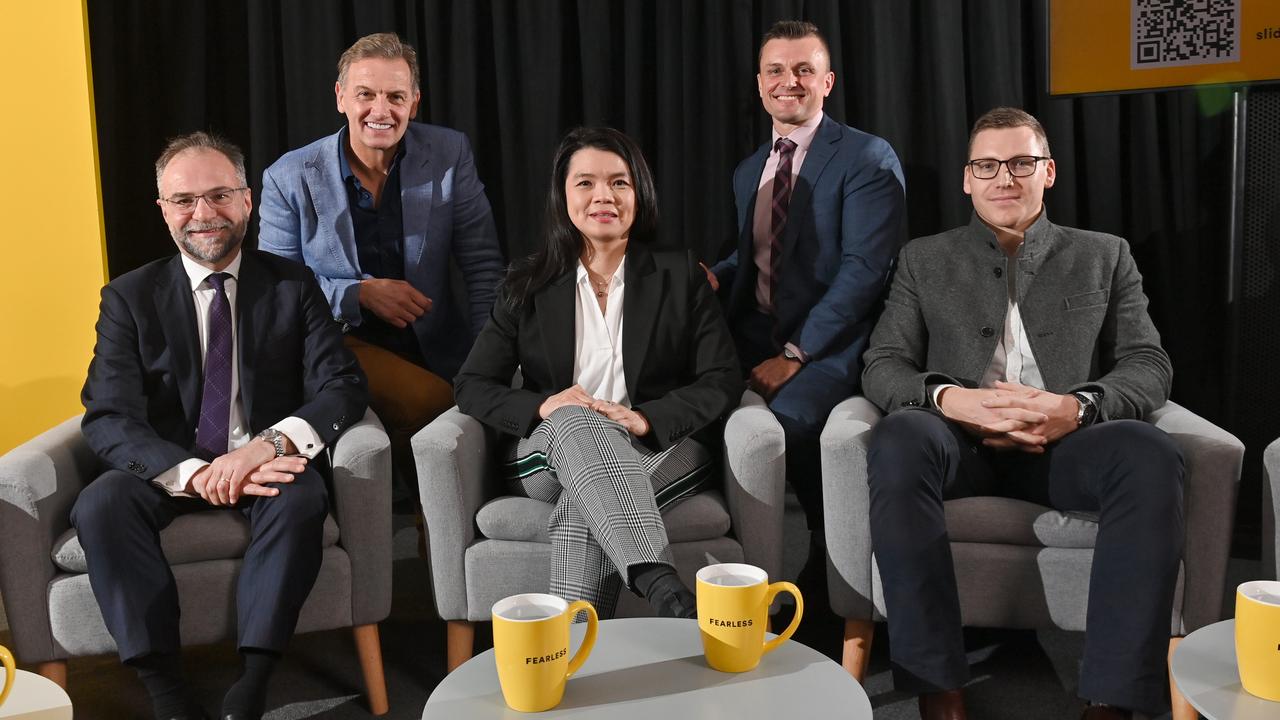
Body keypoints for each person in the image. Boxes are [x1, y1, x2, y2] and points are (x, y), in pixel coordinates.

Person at [861, 107, 1183, 720]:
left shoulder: (1104, 255)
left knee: (1150, 453)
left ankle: (1112, 698)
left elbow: (1149, 363)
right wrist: (949, 399)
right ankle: (938, 688)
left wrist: (1079, 407)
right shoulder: (924, 258)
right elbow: (883, 363)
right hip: (961, 446)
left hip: (1064, 451)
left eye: (1020, 163)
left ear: (1048, 171)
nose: (1003, 178)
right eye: (987, 165)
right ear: (967, 178)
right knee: (900, 438)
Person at [75, 132, 367, 720]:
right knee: (100, 505)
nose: (203, 214)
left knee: (302, 492)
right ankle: (165, 690)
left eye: (219, 195)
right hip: (167, 467)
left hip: (259, 461)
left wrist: (266, 446)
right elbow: (107, 414)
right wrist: (191, 473)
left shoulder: (293, 285)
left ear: (247, 201)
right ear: (162, 209)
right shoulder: (128, 298)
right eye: (183, 200)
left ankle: (253, 682)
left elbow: (342, 386)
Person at [454, 127, 742, 618]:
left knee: (583, 511)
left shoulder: (680, 276)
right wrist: (545, 406)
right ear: (562, 194)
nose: (602, 196)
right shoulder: (526, 282)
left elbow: (722, 378)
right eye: (585, 183)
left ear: (639, 193)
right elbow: (472, 384)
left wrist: (646, 418)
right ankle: (659, 582)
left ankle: (576, 661)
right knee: (574, 418)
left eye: (619, 183)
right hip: (548, 455)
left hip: (658, 442)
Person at [259, 32, 504, 499]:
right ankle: (430, 550)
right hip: (337, 344)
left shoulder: (449, 154)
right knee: (441, 409)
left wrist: (487, 357)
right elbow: (277, 291)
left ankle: (442, 555)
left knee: (483, 413)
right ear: (340, 98)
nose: (380, 110)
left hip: (435, 343)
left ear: (414, 101)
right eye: (365, 94)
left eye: (395, 96)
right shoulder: (287, 176)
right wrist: (357, 293)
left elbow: (483, 266)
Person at [708, 20, 907, 587]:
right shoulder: (751, 170)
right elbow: (755, 258)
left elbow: (865, 271)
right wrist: (713, 278)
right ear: (760, 83)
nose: (788, 81)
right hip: (751, 334)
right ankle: (737, 577)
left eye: (803, 70)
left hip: (831, 346)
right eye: (776, 70)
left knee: (791, 423)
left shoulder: (867, 158)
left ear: (827, 82)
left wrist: (797, 352)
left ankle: (832, 581)